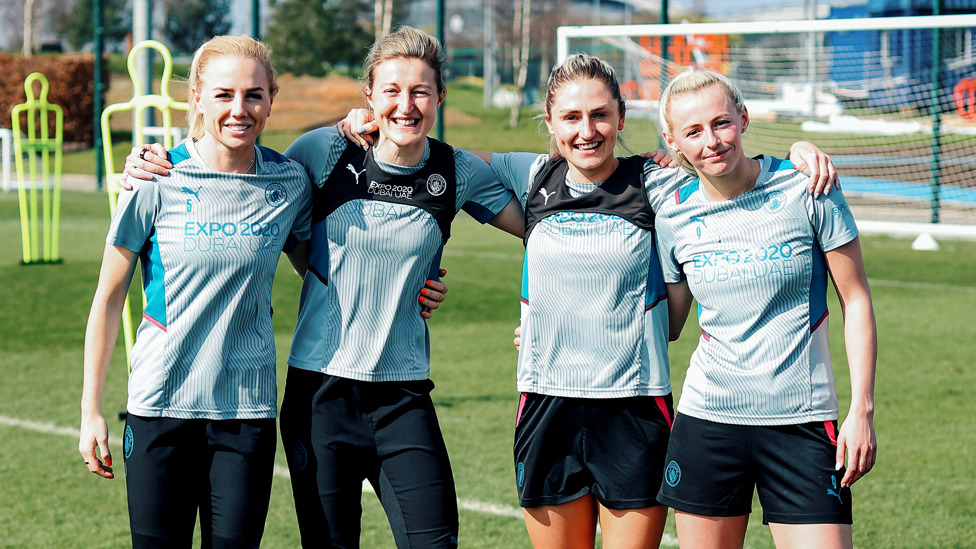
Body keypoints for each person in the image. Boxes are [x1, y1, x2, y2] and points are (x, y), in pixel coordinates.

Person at [343, 52, 837, 549]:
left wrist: (800, 152)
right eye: (572, 117)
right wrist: (365, 124)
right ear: (551, 125)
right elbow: (424, 153)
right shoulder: (531, 175)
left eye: (600, 115)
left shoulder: (658, 182)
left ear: (621, 117)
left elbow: (728, 166)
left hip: (635, 410)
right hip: (546, 404)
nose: (588, 131)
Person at [128, 26, 523, 548]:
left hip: (403, 393)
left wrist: (643, 171)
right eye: (391, 91)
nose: (406, 104)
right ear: (369, 97)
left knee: (434, 541)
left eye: (421, 91)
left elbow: (545, 225)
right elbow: (261, 206)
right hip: (319, 396)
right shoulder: (321, 150)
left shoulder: (458, 170)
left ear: (441, 96)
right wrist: (149, 162)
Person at [79, 35, 309, 548]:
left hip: (245, 413)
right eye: (224, 94)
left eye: (253, 95)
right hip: (160, 408)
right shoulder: (155, 178)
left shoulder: (289, 183)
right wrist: (90, 409)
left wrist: (418, 287)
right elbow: (109, 295)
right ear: (198, 98)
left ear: (271, 98)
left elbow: (325, 272)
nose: (239, 109)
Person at [653, 68, 878, 549]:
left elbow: (855, 298)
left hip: (801, 420)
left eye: (721, 123)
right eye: (692, 132)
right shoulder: (670, 211)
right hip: (707, 421)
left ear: (744, 118)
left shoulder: (808, 186)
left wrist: (862, 408)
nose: (711, 141)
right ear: (672, 141)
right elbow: (669, 324)